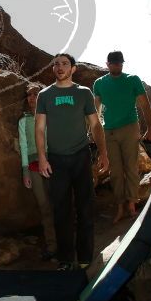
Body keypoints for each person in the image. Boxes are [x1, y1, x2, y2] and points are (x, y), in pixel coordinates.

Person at [36, 53, 109, 271]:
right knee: (61, 211)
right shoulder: (44, 95)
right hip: (56, 159)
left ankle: (85, 257)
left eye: (65, 64)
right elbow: (39, 129)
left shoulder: (83, 93)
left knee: (85, 208)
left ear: (73, 69)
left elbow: (95, 125)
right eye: (56, 64)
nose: (59, 67)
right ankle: (66, 259)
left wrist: (104, 153)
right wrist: (42, 157)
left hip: (80, 156)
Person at [93, 51, 151, 224]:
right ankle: (120, 205)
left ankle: (132, 203)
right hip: (109, 131)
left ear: (122, 63)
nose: (116, 65)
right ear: (107, 64)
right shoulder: (99, 83)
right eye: (113, 63)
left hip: (129, 127)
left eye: (119, 63)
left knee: (131, 166)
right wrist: (93, 133)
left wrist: (150, 128)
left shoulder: (132, 79)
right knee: (116, 171)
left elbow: (144, 104)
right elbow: (95, 111)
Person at [18, 82, 56, 260]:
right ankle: (52, 246)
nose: (32, 98)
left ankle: (67, 242)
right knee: (44, 206)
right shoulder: (24, 121)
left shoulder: (50, 116)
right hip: (34, 166)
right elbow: (24, 146)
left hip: (53, 163)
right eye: (29, 95)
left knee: (60, 203)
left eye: (35, 94)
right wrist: (25, 171)